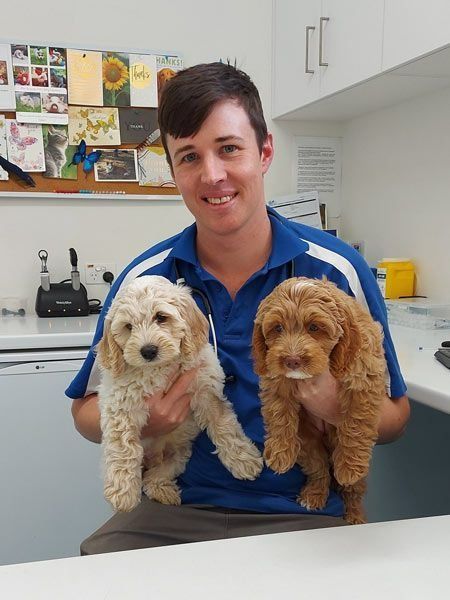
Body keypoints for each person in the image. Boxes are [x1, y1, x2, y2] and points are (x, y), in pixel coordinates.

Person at [67, 62, 410, 555]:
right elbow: (84, 410)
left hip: (303, 510)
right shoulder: (145, 281)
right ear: (172, 170)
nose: (212, 175)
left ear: (264, 151)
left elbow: (396, 418)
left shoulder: (337, 270)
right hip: (175, 507)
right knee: (93, 569)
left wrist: (341, 408)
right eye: (189, 156)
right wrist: (150, 421)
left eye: (229, 148)